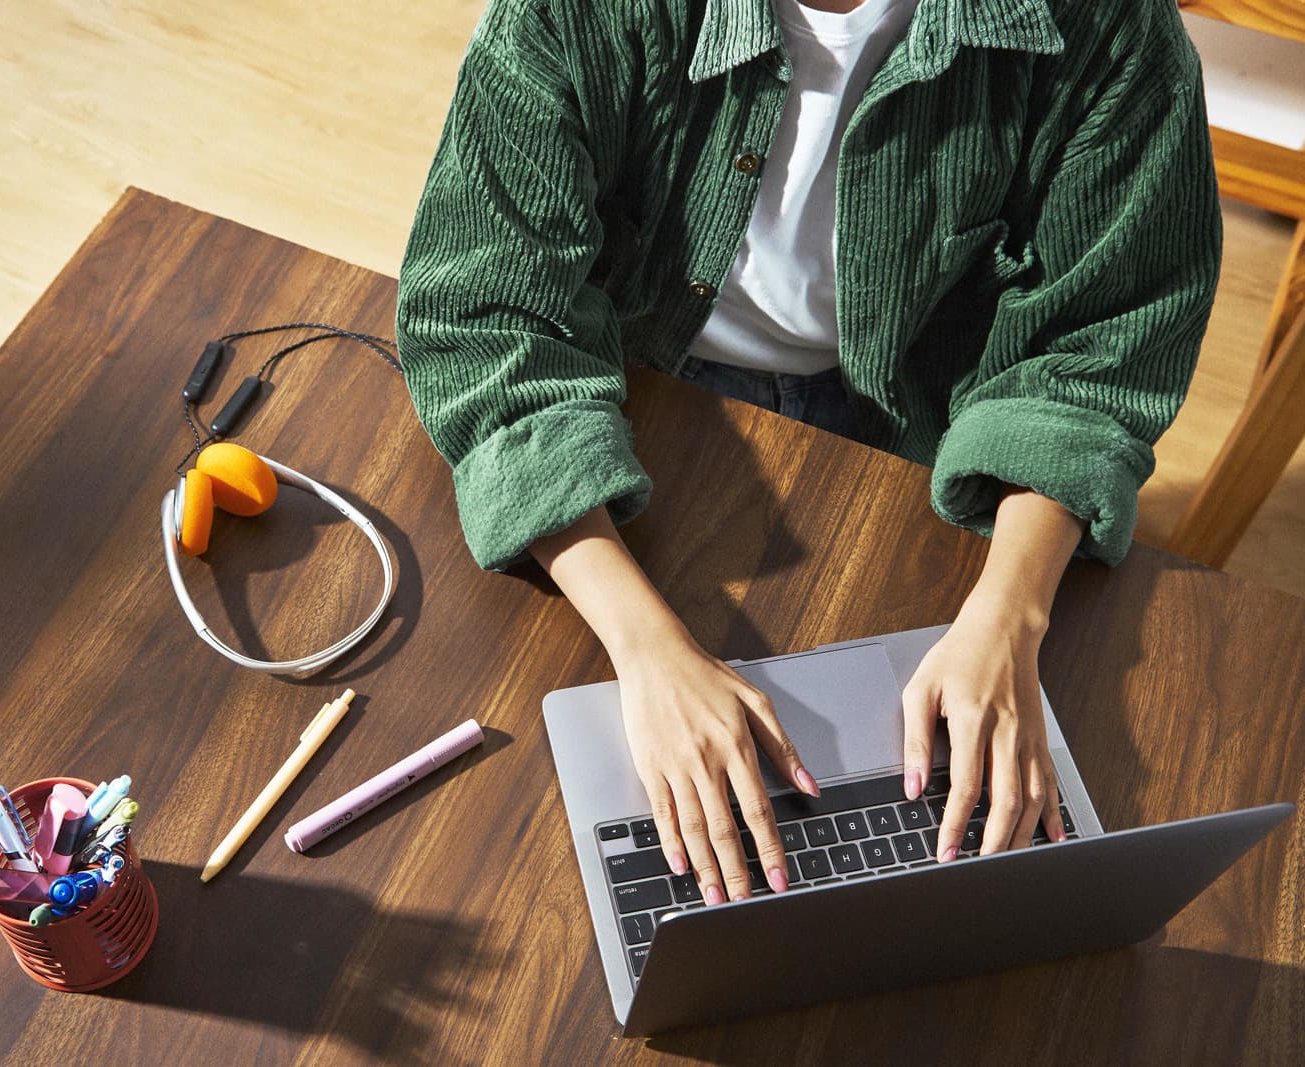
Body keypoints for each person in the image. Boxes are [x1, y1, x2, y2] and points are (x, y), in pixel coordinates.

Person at [393, 0, 1222, 908]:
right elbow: (489, 320)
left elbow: (1097, 349)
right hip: (634, 394)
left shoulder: (1110, 27)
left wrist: (1011, 618)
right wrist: (646, 650)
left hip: (925, 417)